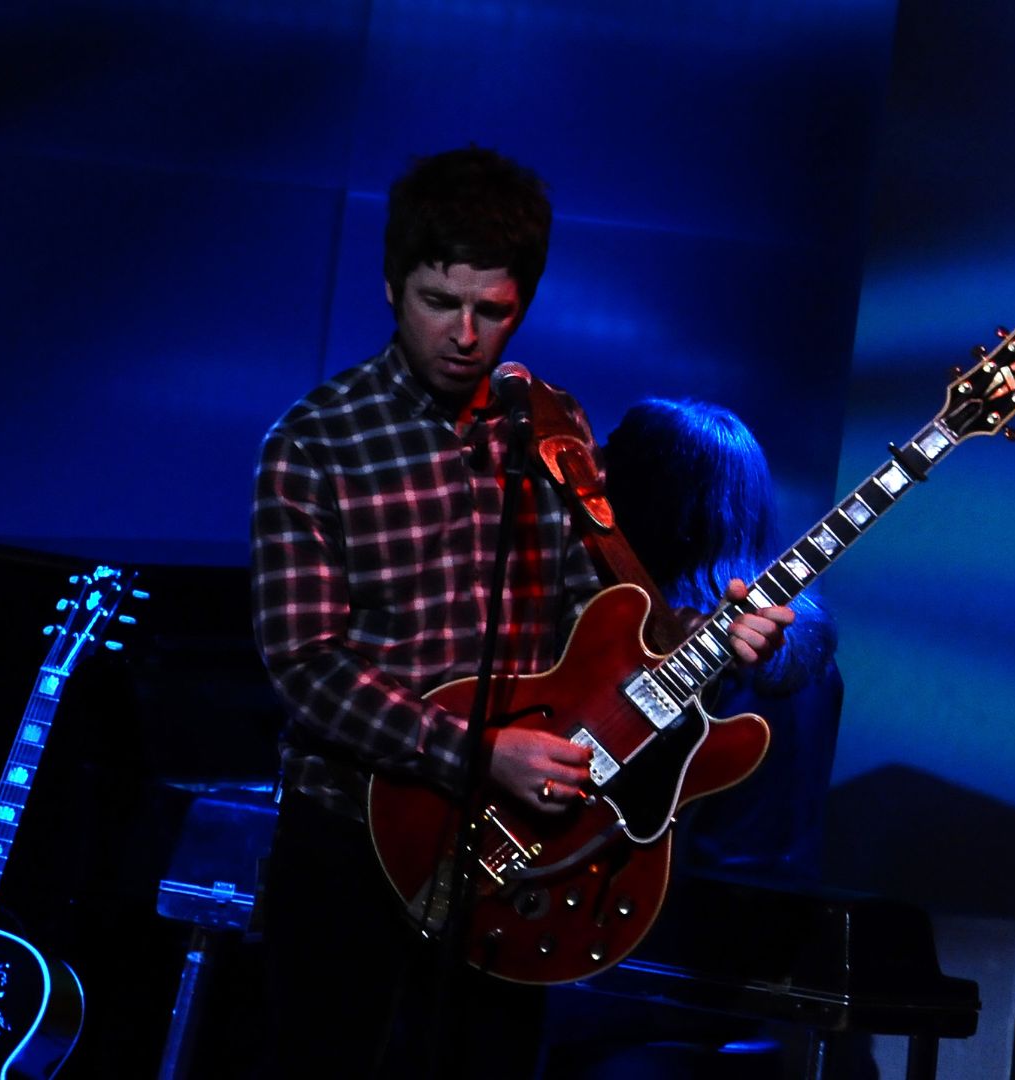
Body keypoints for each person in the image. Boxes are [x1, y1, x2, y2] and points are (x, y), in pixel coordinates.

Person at [248, 148, 792, 1078]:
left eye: (492, 311)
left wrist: (713, 643)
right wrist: (475, 753)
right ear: (390, 286)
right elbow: (305, 664)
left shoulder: (551, 424)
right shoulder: (314, 443)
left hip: (527, 854)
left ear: (522, 306)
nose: (464, 334)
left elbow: (603, 619)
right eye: (438, 302)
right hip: (353, 845)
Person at [540, 399, 846, 1080]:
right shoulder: (803, 646)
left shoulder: (665, 655)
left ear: (662, 499)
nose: (595, 482)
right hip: (761, 964)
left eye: (612, 466)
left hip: (652, 960)